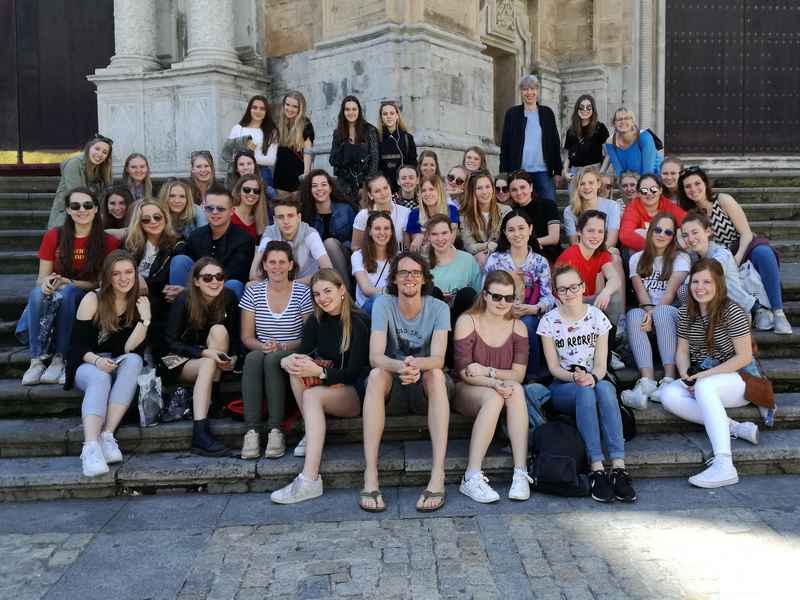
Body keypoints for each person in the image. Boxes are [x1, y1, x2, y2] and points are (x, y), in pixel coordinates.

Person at [360, 251, 451, 513]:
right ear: (395, 279)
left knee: (434, 375)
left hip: (426, 388)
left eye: (415, 273)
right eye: (403, 273)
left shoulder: (439, 308)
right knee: (376, 375)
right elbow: (375, 356)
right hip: (394, 386)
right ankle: (371, 475)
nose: (409, 277)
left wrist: (415, 367)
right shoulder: (383, 304)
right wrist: (402, 367)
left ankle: (438, 474)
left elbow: (438, 359)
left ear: (424, 279)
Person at [269, 269, 371, 503]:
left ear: (342, 290)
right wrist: (289, 360)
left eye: (328, 291)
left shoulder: (359, 321)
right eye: (317, 294)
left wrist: (321, 373)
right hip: (329, 385)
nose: (323, 298)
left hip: (354, 392)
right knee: (296, 368)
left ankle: (310, 480)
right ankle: (312, 432)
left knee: (312, 396)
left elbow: (354, 371)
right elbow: (303, 351)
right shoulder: (317, 319)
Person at [538, 264, 637, 503]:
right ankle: (596, 468)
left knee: (602, 388)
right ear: (556, 293)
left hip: (595, 377)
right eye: (563, 289)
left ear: (583, 287)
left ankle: (619, 466)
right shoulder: (549, 322)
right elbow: (553, 368)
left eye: (574, 287)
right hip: (564, 385)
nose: (569, 292)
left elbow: (602, 365)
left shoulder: (596, 317)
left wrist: (591, 377)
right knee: (584, 392)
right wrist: (575, 377)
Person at [660, 259, 759, 488]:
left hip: (739, 380)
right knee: (668, 395)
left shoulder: (732, 311)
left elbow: (744, 357)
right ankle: (733, 426)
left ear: (718, 284)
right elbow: (682, 350)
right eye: (695, 281)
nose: (700, 287)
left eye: (707, 281)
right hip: (704, 376)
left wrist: (704, 376)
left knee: (705, 386)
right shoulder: (687, 311)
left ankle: (725, 464)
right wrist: (686, 375)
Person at [20, 187, 120, 386]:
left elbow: (101, 283)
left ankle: (60, 357)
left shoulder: (108, 242)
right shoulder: (54, 236)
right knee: (36, 294)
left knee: (68, 292)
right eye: (75, 206)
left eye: (87, 205)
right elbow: (41, 278)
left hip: (88, 296)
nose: (81, 210)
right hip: (58, 291)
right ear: (67, 210)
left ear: (95, 209)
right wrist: (47, 283)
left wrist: (69, 283)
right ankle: (37, 360)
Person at [678, 165, 789, 334]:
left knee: (764, 253)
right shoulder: (690, 213)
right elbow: (686, 240)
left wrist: (737, 257)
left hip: (742, 247)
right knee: (714, 270)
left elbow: (746, 233)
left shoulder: (722, 200)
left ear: (705, 183)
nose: (693, 189)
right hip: (716, 254)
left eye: (697, 183)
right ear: (683, 190)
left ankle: (779, 313)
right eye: (688, 186)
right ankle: (756, 310)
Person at [65, 251, 147, 476]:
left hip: (114, 361)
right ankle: (90, 447)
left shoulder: (137, 302)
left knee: (134, 361)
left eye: (128, 272)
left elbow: (129, 349)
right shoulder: (93, 299)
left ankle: (107, 435)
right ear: (108, 277)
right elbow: (77, 348)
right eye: (116, 273)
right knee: (100, 377)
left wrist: (145, 320)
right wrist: (98, 361)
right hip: (86, 364)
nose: (123, 278)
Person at [453, 270, 531, 502]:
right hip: (467, 390)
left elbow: (518, 375)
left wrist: (490, 373)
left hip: (500, 385)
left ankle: (520, 472)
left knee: (517, 389)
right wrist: (495, 383)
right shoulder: (468, 321)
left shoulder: (519, 327)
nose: (502, 303)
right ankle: (471, 477)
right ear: (485, 295)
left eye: (508, 298)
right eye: (497, 297)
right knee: (494, 397)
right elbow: (465, 371)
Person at [240, 241, 313, 459]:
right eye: (272, 262)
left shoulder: (302, 292)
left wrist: (281, 347)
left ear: (291, 265)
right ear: (264, 264)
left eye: (282, 262)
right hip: (263, 352)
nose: (277, 267)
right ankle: (251, 432)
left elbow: (308, 338)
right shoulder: (253, 292)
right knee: (253, 358)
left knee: (273, 360)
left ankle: (276, 430)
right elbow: (246, 337)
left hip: (293, 352)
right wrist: (263, 346)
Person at [162, 258, 239, 456]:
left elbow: (235, 337)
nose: (215, 281)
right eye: (207, 277)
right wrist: (203, 352)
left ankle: (210, 400)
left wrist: (235, 359)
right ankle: (200, 432)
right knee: (207, 363)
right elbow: (170, 342)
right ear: (196, 281)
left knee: (220, 331)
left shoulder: (228, 297)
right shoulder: (184, 300)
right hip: (179, 360)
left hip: (211, 361)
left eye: (219, 276)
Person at [621, 213, 690, 408]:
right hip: (649, 310)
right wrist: (648, 312)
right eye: (658, 229)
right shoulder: (636, 258)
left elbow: (670, 294)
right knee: (633, 314)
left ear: (673, 236)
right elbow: (642, 295)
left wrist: (653, 313)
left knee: (660, 312)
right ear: (650, 231)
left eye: (668, 232)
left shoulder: (681, 258)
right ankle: (647, 382)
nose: (661, 234)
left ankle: (669, 379)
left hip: (673, 314)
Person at [484, 209, 557, 380]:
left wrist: (533, 309)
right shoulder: (496, 259)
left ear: (530, 229)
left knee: (528, 323)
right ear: (505, 233)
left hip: (530, 313)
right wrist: (505, 308)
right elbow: (484, 292)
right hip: (498, 311)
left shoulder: (540, 262)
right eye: (511, 230)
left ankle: (532, 376)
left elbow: (549, 297)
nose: (517, 234)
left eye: (521, 228)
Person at [124, 200, 188, 360]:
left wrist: (144, 284)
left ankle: (153, 354)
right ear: (139, 223)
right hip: (131, 293)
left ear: (165, 218)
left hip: (163, 297)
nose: (153, 222)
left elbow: (166, 279)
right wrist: (136, 281)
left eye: (157, 217)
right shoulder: (131, 244)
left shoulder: (178, 243)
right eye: (146, 219)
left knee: (149, 303)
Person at [183, 184, 255, 300]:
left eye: (220, 208)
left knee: (233, 284)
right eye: (210, 208)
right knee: (180, 261)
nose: (214, 212)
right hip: (196, 293)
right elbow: (190, 270)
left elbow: (236, 275)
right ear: (204, 209)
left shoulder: (244, 239)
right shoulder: (195, 236)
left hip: (224, 294)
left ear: (232, 211)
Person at [499, 74, 563, 202]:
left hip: (544, 171)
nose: (529, 92)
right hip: (519, 172)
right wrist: (503, 174)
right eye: (525, 89)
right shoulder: (512, 114)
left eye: (533, 89)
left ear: (537, 91)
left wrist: (558, 171)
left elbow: (555, 143)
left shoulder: (547, 113)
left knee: (549, 206)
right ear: (521, 92)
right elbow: (505, 145)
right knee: (522, 208)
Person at [681, 211, 756, 316]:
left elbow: (706, 274)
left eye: (695, 232)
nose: (690, 239)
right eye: (685, 235)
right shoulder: (692, 256)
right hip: (715, 308)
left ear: (708, 231)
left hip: (740, 308)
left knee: (685, 288)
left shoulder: (722, 254)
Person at [556, 211, 624, 327]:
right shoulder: (570, 256)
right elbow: (568, 294)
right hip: (565, 303)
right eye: (590, 230)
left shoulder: (600, 254)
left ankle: (615, 332)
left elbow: (615, 279)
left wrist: (605, 293)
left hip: (586, 301)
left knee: (614, 295)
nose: (596, 236)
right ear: (579, 231)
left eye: (600, 231)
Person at [249, 195, 333, 286]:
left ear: (299, 217)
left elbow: (327, 269)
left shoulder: (310, 233)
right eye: (280, 217)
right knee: (250, 285)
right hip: (277, 285)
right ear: (274, 220)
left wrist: (290, 285)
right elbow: (253, 274)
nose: (286, 221)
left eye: (290, 216)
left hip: (306, 285)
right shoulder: (270, 233)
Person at [298, 169, 355, 283]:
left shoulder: (345, 209)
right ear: (310, 190)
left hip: (344, 256)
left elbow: (354, 239)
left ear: (330, 188)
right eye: (314, 186)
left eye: (324, 184)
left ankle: (345, 292)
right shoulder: (305, 213)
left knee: (329, 244)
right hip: (316, 259)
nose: (319, 188)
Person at [48, 135, 113, 228]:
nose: (100, 154)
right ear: (89, 148)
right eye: (97, 149)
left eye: (105, 152)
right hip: (66, 219)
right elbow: (78, 195)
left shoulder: (101, 169)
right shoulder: (74, 164)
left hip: (88, 219)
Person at [329, 95, 379, 200]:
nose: (351, 112)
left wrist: (365, 186)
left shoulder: (370, 130)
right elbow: (333, 160)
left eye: (354, 109)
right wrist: (344, 148)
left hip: (365, 185)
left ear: (359, 111)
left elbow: (374, 160)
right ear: (343, 112)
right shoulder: (338, 133)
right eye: (347, 109)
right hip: (344, 186)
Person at [619, 174, 686, 252]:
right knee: (638, 233)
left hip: (668, 248)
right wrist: (655, 249)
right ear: (638, 193)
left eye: (653, 189)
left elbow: (688, 222)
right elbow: (625, 234)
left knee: (682, 234)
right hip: (644, 250)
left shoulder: (667, 205)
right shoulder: (633, 207)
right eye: (644, 190)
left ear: (660, 190)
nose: (649, 193)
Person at [224, 95, 278, 191]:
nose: (258, 111)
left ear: (266, 112)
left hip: (262, 172)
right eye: (255, 107)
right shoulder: (238, 128)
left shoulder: (272, 131)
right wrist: (243, 146)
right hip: (240, 172)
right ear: (249, 109)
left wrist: (249, 159)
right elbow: (228, 152)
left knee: (265, 201)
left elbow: (271, 160)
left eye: (262, 109)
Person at [460, 170, 512, 268]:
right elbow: (469, 245)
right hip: (477, 259)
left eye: (488, 187)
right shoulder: (465, 215)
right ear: (472, 191)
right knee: (482, 258)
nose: (485, 192)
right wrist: (487, 246)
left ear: (492, 189)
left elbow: (508, 240)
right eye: (479, 188)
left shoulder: (505, 211)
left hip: (502, 254)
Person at [508, 170, 562, 262]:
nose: (519, 193)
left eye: (522, 187)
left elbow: (554, 238)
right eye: (514, 190)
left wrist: (528, 242)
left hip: (548, 255)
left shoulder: (548, 205)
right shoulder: (512, 211)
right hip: (521, 256)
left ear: (531, 187)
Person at [427, 214, 482, 305]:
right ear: (428, 237)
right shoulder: (423, 263)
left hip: (462, 314)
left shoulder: (467, 260)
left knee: (468, 293)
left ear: (452, 234)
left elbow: (477, 293)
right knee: (432, 292)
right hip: (434, 314)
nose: (440, 239)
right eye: (434, 234)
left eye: (444, 233)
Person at [351, 211, 397, 314]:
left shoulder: (398, 257)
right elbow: (366, 290)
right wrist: (393, 291)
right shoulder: (358, 256)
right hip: (367, 308)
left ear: (391, 232)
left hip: (392, 307)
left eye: (386, 228)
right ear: (370, 232)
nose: (382, 232)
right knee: (379, 298)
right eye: (377, 228)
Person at [563, 166, 621, 247]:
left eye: (591, 183)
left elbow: (612, 241)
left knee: (615, 255)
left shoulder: (612, 206)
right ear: (577, 187)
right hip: (582, 253)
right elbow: (574, 243)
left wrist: (597, 255)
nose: (586, 187)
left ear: (598, 184)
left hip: (604, 250)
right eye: (582, 184)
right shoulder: (569, 211)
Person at [351, 174, 410, 252]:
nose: (383, 193)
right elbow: (355, 247)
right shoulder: (363, 216)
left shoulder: (406, 212)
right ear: (370, 195)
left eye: (385, 188)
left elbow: (409, 247)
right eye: (377, 191)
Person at [274, 90, 315, 194]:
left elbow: (308, 152)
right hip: (279, 177)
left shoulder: (306, 125)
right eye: (287, 105)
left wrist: (305, 176)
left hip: (297, 179)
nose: (290, 109)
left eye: (295, 106)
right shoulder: (279, 124)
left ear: (300, 109)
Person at [405, 175, 459, 252]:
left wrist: (423, 235)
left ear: (439, 191)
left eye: (431, 189)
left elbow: (448, 241)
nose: (427, 193)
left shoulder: (451, 210)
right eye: (423, 190)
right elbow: (418, 247)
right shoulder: (415, 213)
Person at [562, 95, 610, 184]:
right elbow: (567, 155)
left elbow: (608, 153)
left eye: (588, 108)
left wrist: (601, 172)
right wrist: (565, 172)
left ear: (593, 110)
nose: (585, 110)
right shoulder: (571, 130)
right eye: (581, 107)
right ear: (577, 109)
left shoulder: (600, 128)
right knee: (574, 198)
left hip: (593, 171)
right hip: (575, 172)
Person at [602, 107, 661, 176]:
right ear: (614, 124)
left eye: (627, 118)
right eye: (619, 119)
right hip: (630, 182)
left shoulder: (644, 137)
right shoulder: (610, 142)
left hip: (654, 178)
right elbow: (618, 171)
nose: (623, 122)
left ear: (632, 122)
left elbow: (648, 171)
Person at [377, 100, 417, 192]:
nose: (389, 116)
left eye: (392, 113)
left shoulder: (408, 138)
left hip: (404, 188)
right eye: (385, 114)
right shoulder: (376, 138)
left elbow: (413, 164)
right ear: (381, 118)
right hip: (384, 189)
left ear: (397, 115)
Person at [231, 175, 269, 240]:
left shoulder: (260, 219)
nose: (251, 193)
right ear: (239, 191)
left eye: (256, 191)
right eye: (246, 190)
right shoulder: (228, 214)